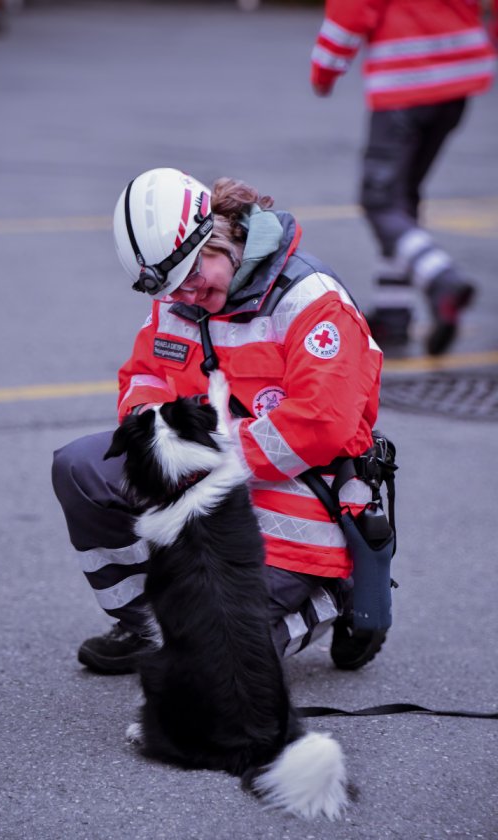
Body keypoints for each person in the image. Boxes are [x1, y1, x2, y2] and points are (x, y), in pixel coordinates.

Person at [52, 167, 386, 677]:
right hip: (203, 482)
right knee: (79, 467)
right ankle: (145, 626)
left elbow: (326, 422)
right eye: (171, 289)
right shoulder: (178, 295)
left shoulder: (311, 300)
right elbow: (144, 374)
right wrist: (149, 426)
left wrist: (213, 461)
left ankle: (336, 594)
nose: (183, 296)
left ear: (221, 237)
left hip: (298, 494)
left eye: (191, 279)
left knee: (219, 657)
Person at [310, 0, 497, 355]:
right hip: (460, 78)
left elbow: (351, 10)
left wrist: (325, 68)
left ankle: (443, 281)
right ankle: (394, 313)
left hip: (405, 80)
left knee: (380, 201)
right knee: (402, 197)